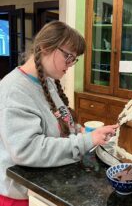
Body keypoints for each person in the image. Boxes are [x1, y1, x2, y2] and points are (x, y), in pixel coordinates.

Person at [0, 21, 118, 205]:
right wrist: (87, 141)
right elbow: (27, 150)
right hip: (20, 195)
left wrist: (83, 131)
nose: (71, 64)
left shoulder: (48, 81)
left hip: (45, 181)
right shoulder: (13, 91)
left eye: (74, 59)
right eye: (68, 57)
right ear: (46, 47)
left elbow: (61, 121)